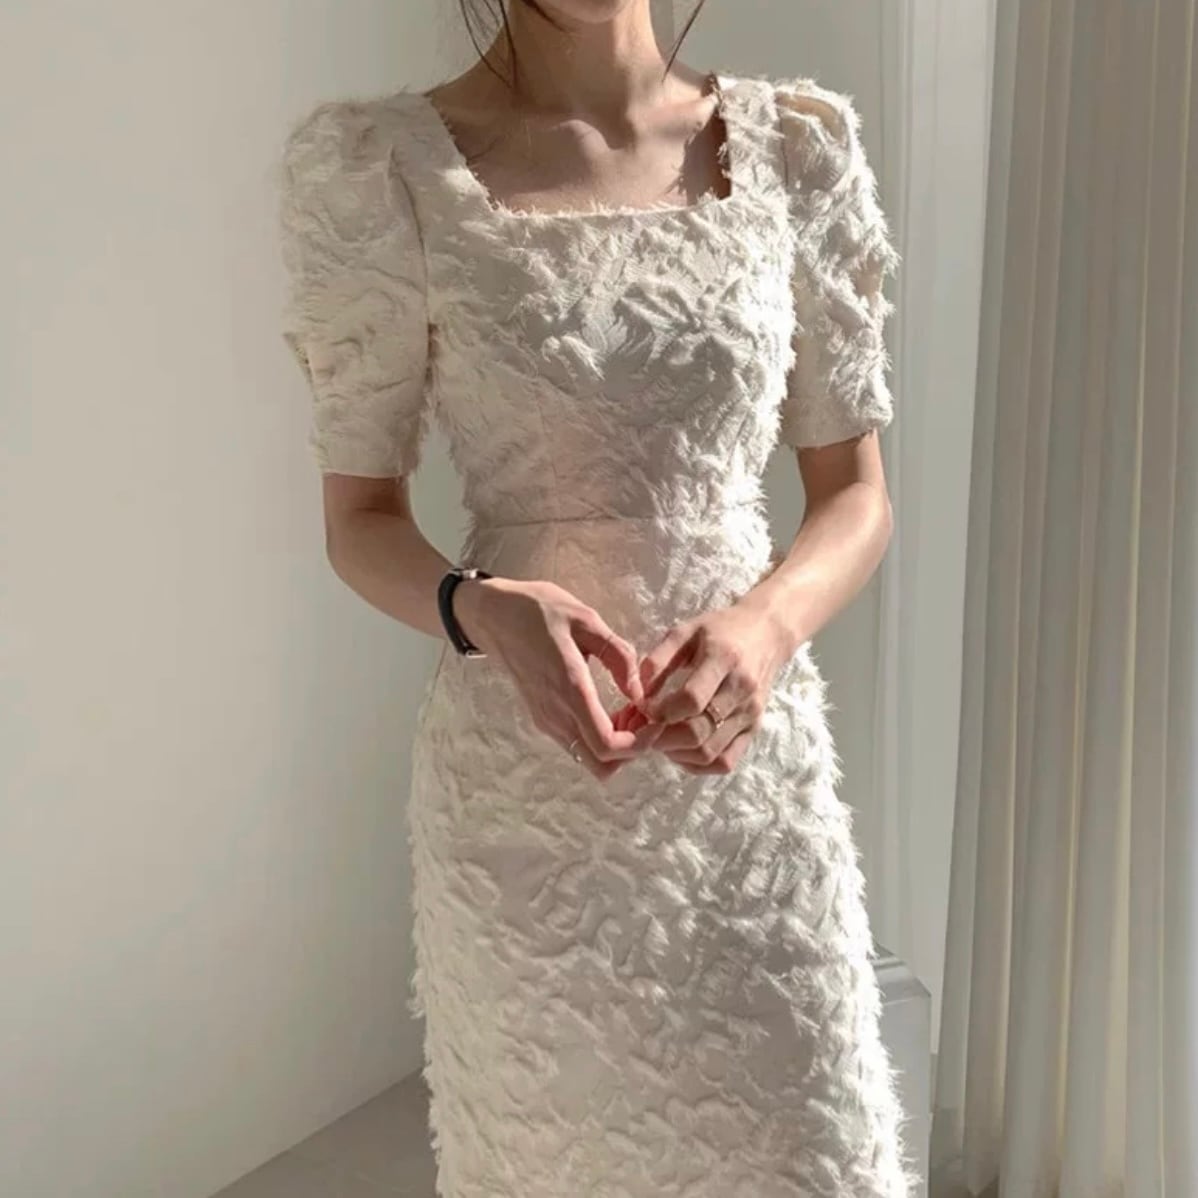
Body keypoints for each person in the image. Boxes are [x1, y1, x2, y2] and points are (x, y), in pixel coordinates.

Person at [275, 1, 919, 1194]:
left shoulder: (796, 145)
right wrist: (477, 607)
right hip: (524, 794)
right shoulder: (377, 169)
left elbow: (856, 495)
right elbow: (358, 520)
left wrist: (765, 626)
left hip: (742, 782)